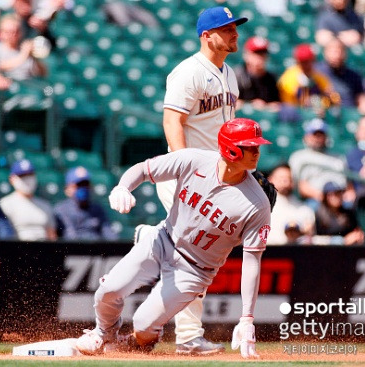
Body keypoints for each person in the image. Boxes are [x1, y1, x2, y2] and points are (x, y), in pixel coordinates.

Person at [75, 118, 272, 359]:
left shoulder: (257, 203)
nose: (256, 152)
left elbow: (252, 261)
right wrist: (123, 187)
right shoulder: (194, 159)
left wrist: (247, 318)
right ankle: (103, 333)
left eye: (257, 146)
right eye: (250, 146)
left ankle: (138, 343)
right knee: (109, 290)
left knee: (143, 324)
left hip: (195, 269)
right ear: (231, 148)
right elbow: (144, 169)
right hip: (163, 239)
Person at [138, 6, 248, 356]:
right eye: (226, 28)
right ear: (206, 35)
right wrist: (184, 169)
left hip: (213, 175)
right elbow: (173, 122)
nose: (234, 33)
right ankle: (186, 336)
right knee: (191, 256)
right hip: (184, 174)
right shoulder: (187, 72)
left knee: (195, 255)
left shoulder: (229, 73)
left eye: (234, 27)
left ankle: (149, 251)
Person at [288, 118, 355, 210]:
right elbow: (300, 186)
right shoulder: (299, 157)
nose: (317, 138)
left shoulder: (338, 157)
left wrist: (349, 193)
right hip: (316, 199)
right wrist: (324, 197)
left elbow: (348, 183)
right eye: (315, 135)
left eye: (321, 135)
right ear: (306, 137)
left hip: (341, 198)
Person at [54, 166, 117, 241]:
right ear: (68, 189)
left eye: (85, 184)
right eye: (78, 185)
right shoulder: (61, 209)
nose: (83, 188)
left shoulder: (97, 209)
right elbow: (70, 237)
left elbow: (109, 234)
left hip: (97, 250)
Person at [0, 159, 57, 241]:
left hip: (44, 251)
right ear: (12, 179)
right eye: (22, 176)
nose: (27, 179)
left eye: (30, 175)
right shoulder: (5, 204)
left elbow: (52, 235)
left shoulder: (45, 205)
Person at [315, 38, 365, 114]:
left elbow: (361, 97)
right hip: (325, 115)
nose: (337, 55)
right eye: (333, 51)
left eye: (340, 51)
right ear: (325, 52)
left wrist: (364, 108)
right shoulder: (316, 72)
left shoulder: (353, 75)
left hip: (349, 115)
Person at [277, 43, 340, 112]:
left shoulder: (318, 76)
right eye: (304, 61)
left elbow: (334, 99)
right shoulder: (289, 77)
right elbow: (301, 99)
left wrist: (327, 99)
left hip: (313, 113)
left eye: (310, 60)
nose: (308, 64)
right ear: (298, 61)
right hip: (293, 113)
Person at [266, 163, 314, 245]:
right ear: (270, 180)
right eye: (281, 179)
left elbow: (309, 240)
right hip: (268, 253)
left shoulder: (305, 210)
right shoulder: (260, 207)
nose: (285, 182)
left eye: (289, 179)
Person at [0, 13, 48, 81]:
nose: (12, 35)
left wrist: (35, 57)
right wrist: (24, 54)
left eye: (16, 31)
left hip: (28, 87)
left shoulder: (24, 50)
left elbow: (43, 74)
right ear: (0, 33)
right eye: (8, 32)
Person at [234, 36, 281, 111]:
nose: (261, 57)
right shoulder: (236, 76)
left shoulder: (270, 78)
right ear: (246, 55)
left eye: (263, 54)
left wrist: (265, 106)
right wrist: (249, 105)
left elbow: (277, 104)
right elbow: (229, 103)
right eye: (257, 53)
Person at [313, 181, 365, 245]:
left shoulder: (348, 213)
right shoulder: (319, 215)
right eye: (335, 194)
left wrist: (358, 235)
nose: (339, 196)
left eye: (340, 193)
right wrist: (342, 241)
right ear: (326, 196)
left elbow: (357, 231)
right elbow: (315, 239)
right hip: (327, 251)